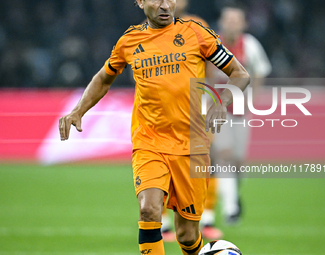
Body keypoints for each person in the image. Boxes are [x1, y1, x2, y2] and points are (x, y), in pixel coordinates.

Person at [59, 1, 250, 254]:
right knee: (149, 210)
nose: (164, 5)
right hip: (149, 142)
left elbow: (240, 73)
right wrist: (78, 110)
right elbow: (105, 77)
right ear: (140, 2)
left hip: (191, 145)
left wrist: (221, 102)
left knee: (187, 234)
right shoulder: (129, 41)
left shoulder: (196, 33)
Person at [159, 0, 223, 242]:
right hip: (163, 109)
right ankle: (164, 224)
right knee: (164, 161)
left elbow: (212, 64)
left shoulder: (198, 25)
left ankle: (206, 219)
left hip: (197, 103)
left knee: (207, 159)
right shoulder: (147, 29)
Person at [209, 4, 272, 225]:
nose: (232, 24)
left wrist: (252, 101)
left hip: (241, 113)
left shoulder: (251, 45)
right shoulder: (212, 45)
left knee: (238, 163)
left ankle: (232, 195)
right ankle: (231, 209)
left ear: (244, 23)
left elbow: (260, 71)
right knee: (224, 154)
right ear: (221, 22)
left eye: (236, 20)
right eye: (228, 20)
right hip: (217, 111)